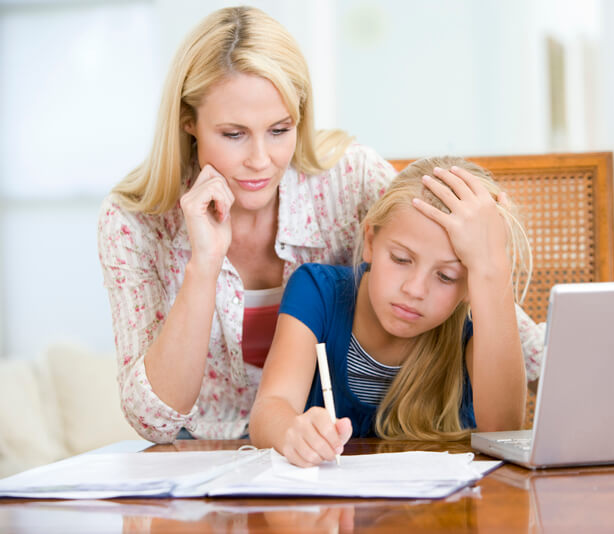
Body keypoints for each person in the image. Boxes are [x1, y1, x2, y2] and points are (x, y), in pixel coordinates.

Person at [98, 6, 543, 444]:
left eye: (279, 129)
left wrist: (489, 261)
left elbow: (513, 340)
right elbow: (152, 423)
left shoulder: (352, 182)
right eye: (234, 134)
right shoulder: (134, 224)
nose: (260, 160)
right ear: (188, 122)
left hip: (327, 454)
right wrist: (204, 265)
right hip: (203, 454)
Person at [249, 157, 532, 467]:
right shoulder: (319, 292)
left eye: (446, 277)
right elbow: (270, 410)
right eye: (400, 259)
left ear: (470, 287)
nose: (415, 289)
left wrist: (491, 269)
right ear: (370, 240)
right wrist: (291, 431)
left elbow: (504, 431)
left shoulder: (476, 327)